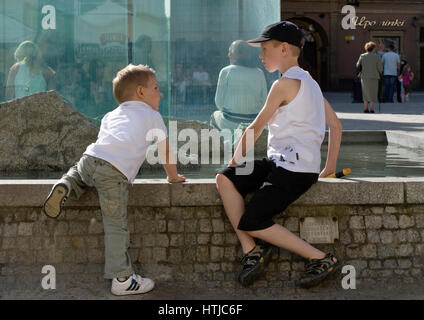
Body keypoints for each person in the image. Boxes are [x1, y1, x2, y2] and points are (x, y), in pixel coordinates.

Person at [215, 21, 343, 288]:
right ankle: (252, 251)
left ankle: (321, 258)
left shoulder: (283, 85)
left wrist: (236, 159)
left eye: (265, 49)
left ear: (284, 49)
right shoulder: (312, 84)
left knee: (252, 220)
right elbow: (336, 125)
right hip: (284, 164)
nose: (260, 56)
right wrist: (328, 168)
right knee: (225, 179)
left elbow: (256, 127)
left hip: (292, 170)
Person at [42, 64, 186, 296]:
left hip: (90, 158)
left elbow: (105, 146)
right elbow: (165, 151)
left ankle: (66, 184)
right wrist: (172, 176)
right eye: (156, 88)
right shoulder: (152, 116)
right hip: (114, 173)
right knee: (116, 225)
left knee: (79, 174)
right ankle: (122, 278)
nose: (161, 93)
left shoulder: (111, 115)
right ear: (141, 92)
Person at [211, 40, 267, 133]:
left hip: (229, 122)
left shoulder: (226, 71)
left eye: (230, 51)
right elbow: (264, 102)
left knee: (214, 115)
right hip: (252, 123)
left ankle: (221, 145)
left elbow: (219, 103)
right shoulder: (259, 73)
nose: (228, 55)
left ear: (238, 54)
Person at [356, 41, 383, 113]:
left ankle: (365, 108)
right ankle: (371, 109)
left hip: (364, 77)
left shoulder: (362, 56)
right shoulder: (377, 56)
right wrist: (380, 72)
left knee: (365, 93)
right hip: (374, 77)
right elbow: (380, 68)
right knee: (373, 93)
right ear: (373, 48)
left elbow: (358, 65)